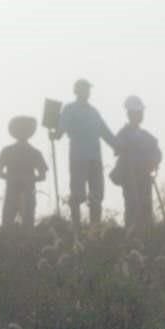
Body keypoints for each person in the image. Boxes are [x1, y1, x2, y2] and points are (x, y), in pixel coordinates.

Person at [51, 79, 117, 229]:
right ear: (76, 91)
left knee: (97, 196)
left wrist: (118, 146)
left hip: (95, 158)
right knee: (77, 194)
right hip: (78, 157)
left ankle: (95, 229)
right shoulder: (69, 109)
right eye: (83, 89)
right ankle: (76, 228)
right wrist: (55, 134)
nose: (86, 92)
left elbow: (105, 131)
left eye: (88, 89)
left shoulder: (93, 112)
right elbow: (61, 129)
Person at [111, 95, 162, 236]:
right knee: (132, 208)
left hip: (144, 177)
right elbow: (116, 148)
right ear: (129, 114)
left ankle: (148, 237)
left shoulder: (146, 136)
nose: (140, 115)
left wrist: (153, 161)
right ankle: (132, 239)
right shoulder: (123, 134)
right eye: (137, 113)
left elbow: (157, 152)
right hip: (130, 177)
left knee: (146, 209)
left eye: (140, 113)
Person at [0, 116, 48, 231]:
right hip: (13, 191)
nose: (23, 133)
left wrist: (28, 179)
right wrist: (14, 178)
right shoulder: (9, 151)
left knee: (27, 224)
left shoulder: (34, 152)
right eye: (21, 130)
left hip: (27, 191)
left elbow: (43, 175)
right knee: (8, 224)